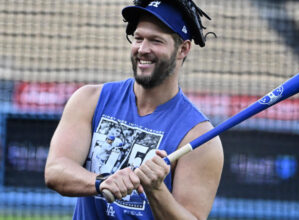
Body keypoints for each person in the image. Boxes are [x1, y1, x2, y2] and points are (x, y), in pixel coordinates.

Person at [44, 0, 224, 219]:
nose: (143, 49)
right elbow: (55, 170)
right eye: (138, 38)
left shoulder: (199, 136)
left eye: (156, 41)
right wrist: (101, 181)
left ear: (183, 49)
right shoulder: (89, 100)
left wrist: (156, 189)